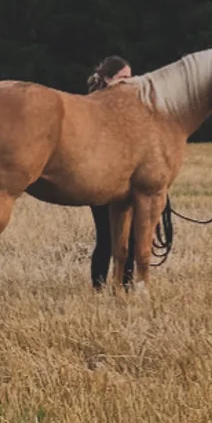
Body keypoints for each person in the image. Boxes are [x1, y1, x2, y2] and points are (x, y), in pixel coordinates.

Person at [85, 55, 137, 290]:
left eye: (130, 77)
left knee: (132, 237)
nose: (129, 82)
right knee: (105, 236)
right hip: (101, 180)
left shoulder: (132, 109)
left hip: (126, 180)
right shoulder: (92, 107)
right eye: (122, 78)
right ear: (107, 79)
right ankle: (98, 286)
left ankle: (125, 283)